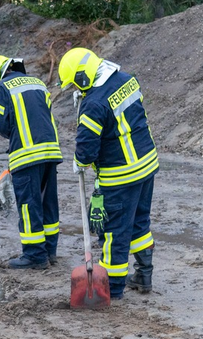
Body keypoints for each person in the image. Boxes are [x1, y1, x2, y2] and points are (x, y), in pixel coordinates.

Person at [58, 47, 159, 300]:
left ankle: (112, 288)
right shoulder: (125, 80)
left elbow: (87, 148)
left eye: (76, 85)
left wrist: (79, 162)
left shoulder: (93, 103)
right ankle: (144, 275)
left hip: (121, 174)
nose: (77, 90)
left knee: (114, 232)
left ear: (82, 77)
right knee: (139, 223)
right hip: (146, 164)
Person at [0, 55, 63, 270]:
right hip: (51, 151)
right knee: (48, 202)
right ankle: (50, 251)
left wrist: (16, 135)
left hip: (26, 155)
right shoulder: (37, 82)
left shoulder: (1, 87)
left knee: (29, 206)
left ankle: (35, 256)